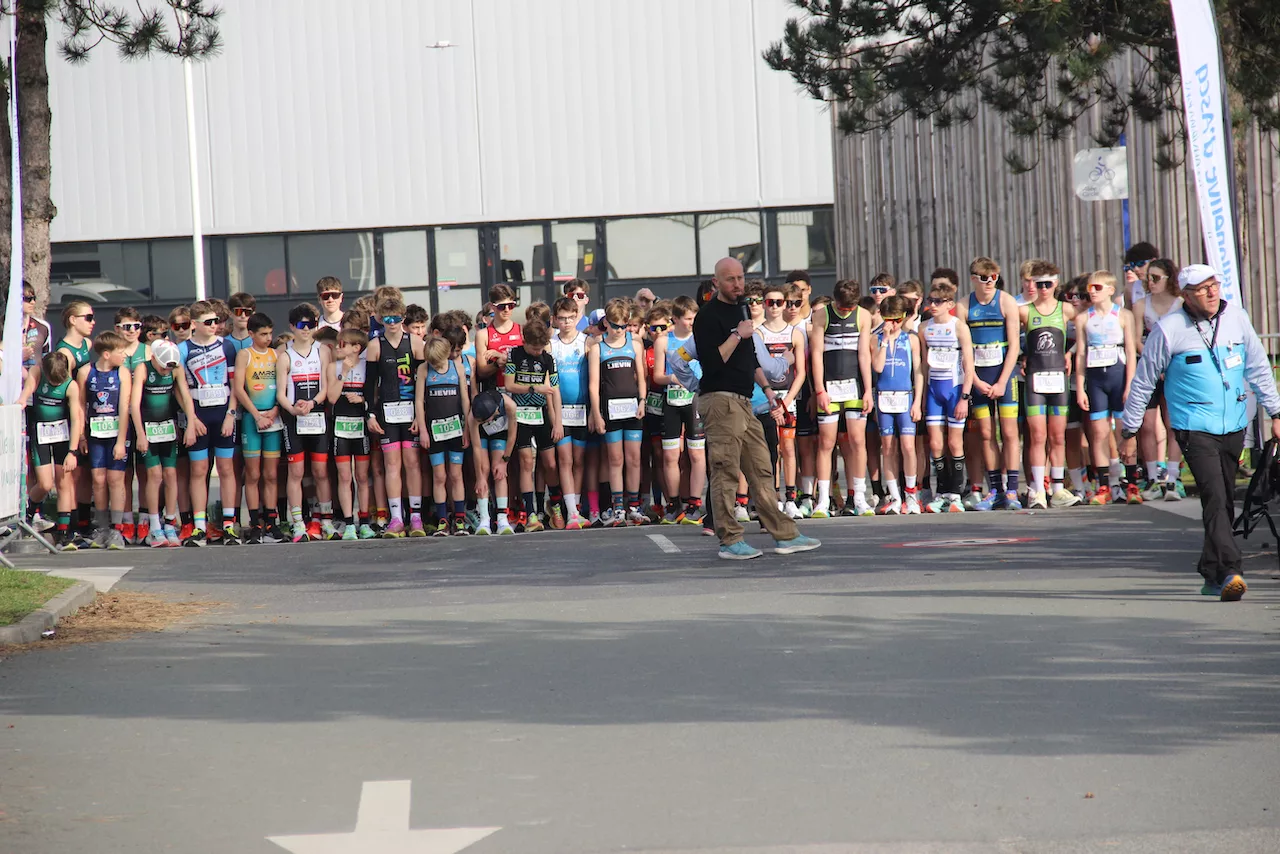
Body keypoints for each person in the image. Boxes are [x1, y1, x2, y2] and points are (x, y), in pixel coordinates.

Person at [1122, 265, 1280, 601]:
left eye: (1214, 285)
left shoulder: (1237, 318)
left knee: (1223, 499)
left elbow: (1258, 368)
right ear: (1186, 295)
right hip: (1193, 426)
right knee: (1215, 497)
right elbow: (1144, 380)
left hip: (1233, 423)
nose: (1211, 292)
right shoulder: (1169, 329)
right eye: (1202, 288)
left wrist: (1276, 412)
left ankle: (1211, 571)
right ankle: (1232, 570)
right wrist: (1129, 429)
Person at [693, 257, 819, 560]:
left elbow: (749, 359)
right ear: (716, 283)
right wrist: (737, 334)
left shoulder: (741, 310)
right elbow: (712, 361)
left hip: (745, 400)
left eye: (740, 278)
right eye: (730, 279)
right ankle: (729, 540)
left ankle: (785, 535)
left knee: (762, 467)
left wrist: (768, 390)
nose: (737, 284)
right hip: (719, 399)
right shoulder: (708, 316)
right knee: (725, 471)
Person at [957, 258, 1022, 510]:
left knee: (1009, 433)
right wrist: (974, 380)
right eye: (984, 278)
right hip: (979, 375)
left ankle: (1012, 490)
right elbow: (963, 350)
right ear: (974, 279)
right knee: (986, 434)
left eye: (994, 277)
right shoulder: (964, 305)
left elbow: (1014, 346)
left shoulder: (1006, 301)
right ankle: (994, 489)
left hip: (1004, 374)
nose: (989, 282)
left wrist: (1003, 381)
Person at [363, 296, 428, 538]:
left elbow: (423, 382)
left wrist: (421, 416)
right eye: (387, 319)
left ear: (403, 318)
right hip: (387, 412)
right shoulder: (375, 345)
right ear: (380, 319)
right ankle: (396, 518)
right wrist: (370, 414)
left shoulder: (416, 342)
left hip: (411, 410)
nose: (392, 323)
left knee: (412, 463)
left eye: (397, 319)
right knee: (391, 465)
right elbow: (369, 384)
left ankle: (416, 517)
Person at [810, 278, 874, 518]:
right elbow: (816, 354)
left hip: (854, 386)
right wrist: (819, 390)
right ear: (835, 300)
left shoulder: (863, 316)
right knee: (826, 443)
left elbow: (864, 355)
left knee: (857, 441)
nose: (846, 311)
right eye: (842, 307)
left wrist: (868, 390)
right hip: (829, 386)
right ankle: (823, 500)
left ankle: (859, 497)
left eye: (850, 308)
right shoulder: (822, 315)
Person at [178, 300, 241, 546]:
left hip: (222, 412)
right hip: (198, 414)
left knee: (226, 469)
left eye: (216, 321)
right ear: (194, 324)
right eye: (208, 322)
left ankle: (229, 525)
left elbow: (235, 385)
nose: (214, 325)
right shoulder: (183, 349)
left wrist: (231, 415)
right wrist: (192, 419)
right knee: (199, 470)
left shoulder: (227, 346)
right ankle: (199, 527)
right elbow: (180, 389)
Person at [1019, 262, 1080, 509]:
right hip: (1035, 380)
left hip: (1058, 380)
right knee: (1037, 436)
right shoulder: (1025, 311)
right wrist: (1022, 356)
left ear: (1055, 284)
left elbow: (1088, 328)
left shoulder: (1066, 309)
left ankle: (1057, 489)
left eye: (1048, 284)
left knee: (1057, 436)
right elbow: (1010, 337)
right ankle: (1038, 490)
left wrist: (1071, 353)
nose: (1043, 289)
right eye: (1039, 284)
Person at [1074, 271, 1138, 505]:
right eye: (1090, 287)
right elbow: (1081, 354)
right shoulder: (1083, 318)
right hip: (1096, 380)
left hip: (1118, 376)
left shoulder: (1124, 315)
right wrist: (1080, 388)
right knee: (1099, 433)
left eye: (1098, 287)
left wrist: (1130, 384)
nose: (1092, 291)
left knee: (1124, 431)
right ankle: (1104, 485)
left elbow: (1131, 351)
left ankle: (1131, 483)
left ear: (1111, 290)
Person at [589, 298, 646, 526]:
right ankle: (618, 508)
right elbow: (593, 385)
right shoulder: (598, 348)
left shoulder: (635, 344)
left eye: (623, 326)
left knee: (634, 458)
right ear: (606, 323)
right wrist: (597, 414)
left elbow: (641, 377)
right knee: (615, 459)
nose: (619, 330)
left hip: (632, 409)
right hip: (610, 410)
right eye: (615, 326)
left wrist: (642, 401)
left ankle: (634, 506)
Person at [1133, 258, 1186, 500]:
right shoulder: (1141, 305)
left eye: (1156, 278)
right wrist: (1155, 362)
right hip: (1150, 368)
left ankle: (1173, 478)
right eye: (1148, 278)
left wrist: (1168, 364)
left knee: (1173, 422)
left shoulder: (1181, 304)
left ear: (1169, 279)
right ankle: (1153, 478)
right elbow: (1136, 340)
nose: (1151, 282)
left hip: (1174, 368)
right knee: (1147, 424)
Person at [920, 281, 975, 513]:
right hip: (934, 390)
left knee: (954, 442)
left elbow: (969, 365)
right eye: (930, 301)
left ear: (950, 304)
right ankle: (941, 492)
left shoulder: (959, 327)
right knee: (935, 443)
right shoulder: (924, 328)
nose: (933, 305)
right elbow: (923, 366)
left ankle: (956, 494)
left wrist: (964, 397)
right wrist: (922, 398)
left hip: (954, 390)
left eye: (938, 302)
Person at [871, 295, 924, 514]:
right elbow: (878, 367)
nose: (893, 325)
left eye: (897, 320)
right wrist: (884, 340)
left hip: (905, 397)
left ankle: (911, 495)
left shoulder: (911, 339)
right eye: (888, 320)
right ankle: (894, 496)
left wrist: (917, 402)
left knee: (908, 447)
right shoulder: (875, 339)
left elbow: (919, 372)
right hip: (884, 397)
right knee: (888, 447)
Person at [235, 313, 283, 544]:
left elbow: (283, 386)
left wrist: (275, 410)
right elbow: (239, 389)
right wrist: (256, 415)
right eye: (263, 334)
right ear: (251, 334)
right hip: (252, 419)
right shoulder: (245, 355)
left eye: (270, 333)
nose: (268, 338)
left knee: (271, 474)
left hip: (273, 418)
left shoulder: (276, 355)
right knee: (253, 474)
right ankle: (255, 524)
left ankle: (271, 522)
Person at [417, 336, 472, 536]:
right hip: (434, 430)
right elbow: (419, 402)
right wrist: (423, 430)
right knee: (439, 475)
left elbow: (465, 399)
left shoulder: (457, 367)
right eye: (433, 363)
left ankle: (459, 519)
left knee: (456, 475)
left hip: (455, 428)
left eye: (438, 362)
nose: (436, 366)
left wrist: (467, 429)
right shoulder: (424, 369)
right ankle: (442, 520)